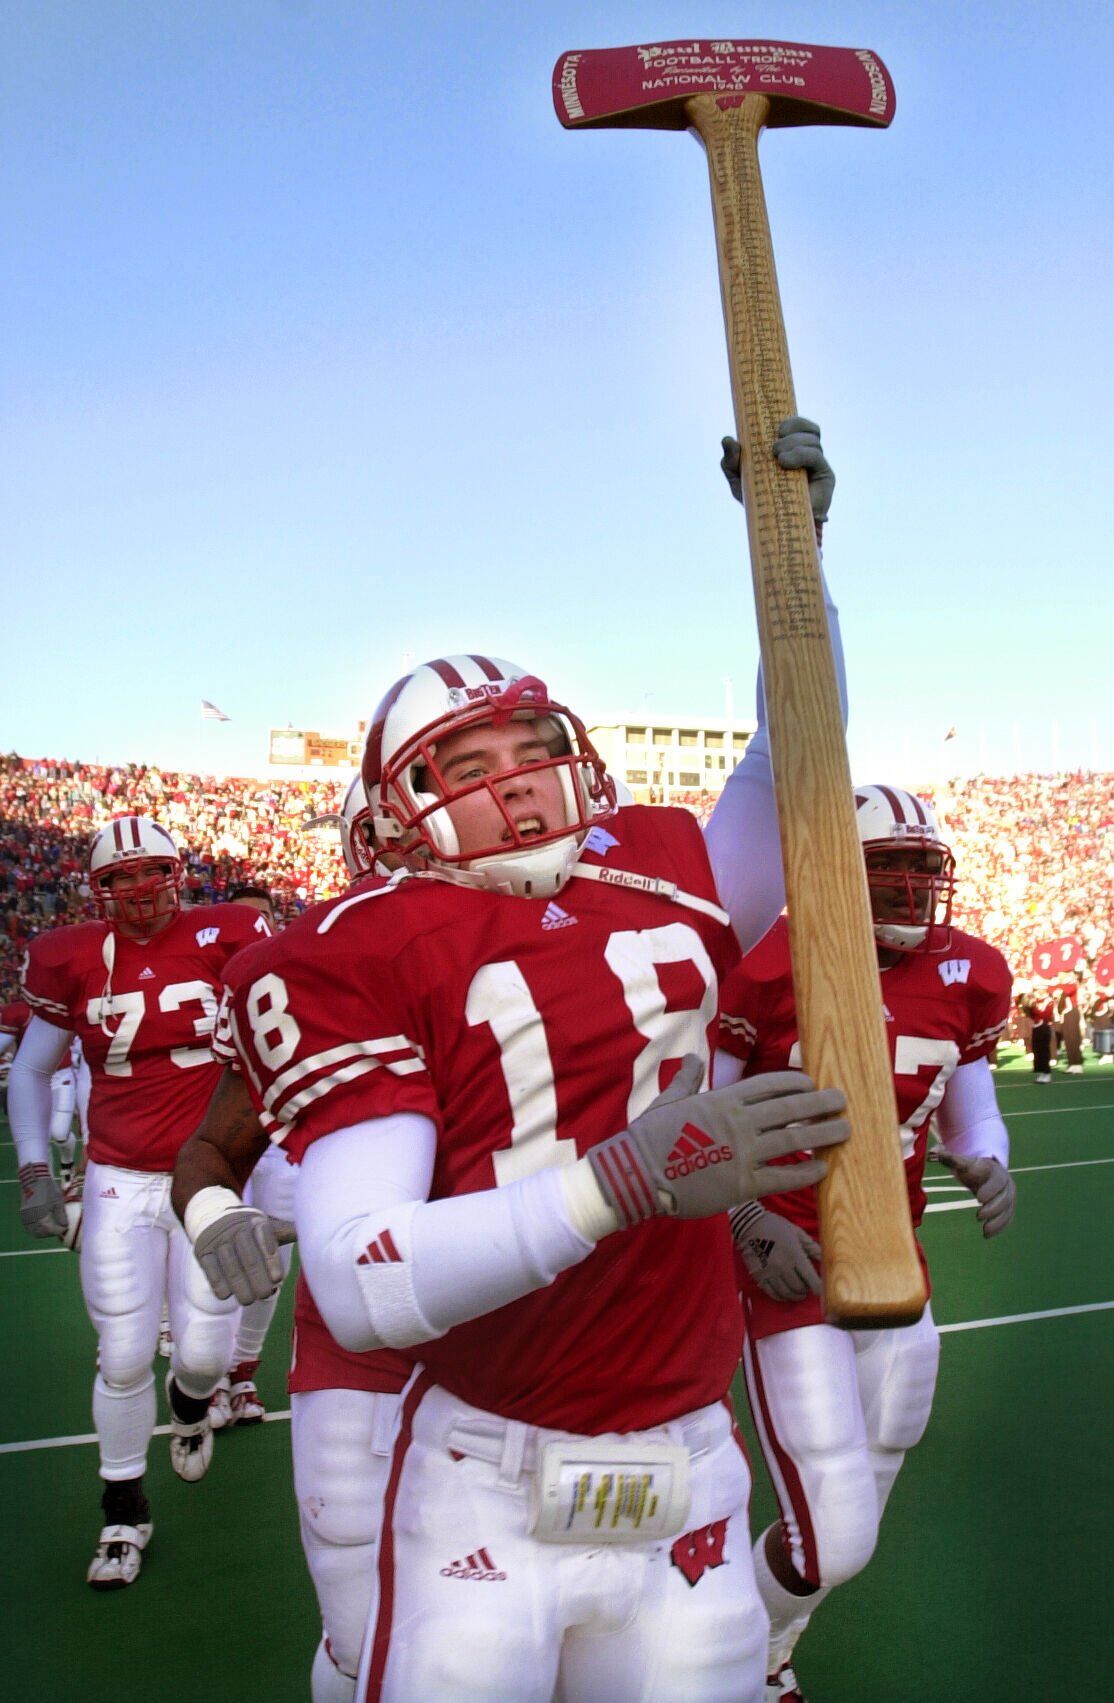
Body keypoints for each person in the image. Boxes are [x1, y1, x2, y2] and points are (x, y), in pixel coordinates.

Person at [180, 423, 853, 1703]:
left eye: (535, 746)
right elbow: (364, 1274)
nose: (521, 784)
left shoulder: (658, 859)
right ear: (392, 807)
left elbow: (795, 753)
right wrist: (624, 1180)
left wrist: (795, 559)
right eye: (465, 766)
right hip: (486, 1462)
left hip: (691, 1458)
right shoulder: (356, 944)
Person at [716, 784, 1015, 1702]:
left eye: (924, 872)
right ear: (839, 873)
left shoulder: (973, 969)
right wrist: (741, 1217)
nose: (911, 892)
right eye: (888, 870)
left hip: (893, 1251)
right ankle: (717, 1656)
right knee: (832, 1532)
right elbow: (697, 1114)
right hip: (787, 1253)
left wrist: (989, 1158)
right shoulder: (769, 961)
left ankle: (764, 1650)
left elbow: (974, 1114)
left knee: (870, 1481)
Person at [175, 777, 412, 1703]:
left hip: (539, 1349)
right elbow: (212, 1147)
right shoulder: (306, 964)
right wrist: (212, 1209)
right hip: (362, 1341)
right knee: (359, 1643)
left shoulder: (582, 941)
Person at [8, 814, 270, 1589]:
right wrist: (33, 1166)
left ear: (178, 872)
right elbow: (30, 1069)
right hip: (119, 1176)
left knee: (200, 1353)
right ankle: (122, 1507)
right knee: (123, 1353)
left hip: (208, 1173)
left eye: (150, 870)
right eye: (120, 877)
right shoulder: (71, 958)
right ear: (100, 888)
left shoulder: (232, 933)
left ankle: (190, 1404)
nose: (138, 889)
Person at [206, 881, 289, 1427]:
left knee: (271, 1259)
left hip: (278, 1132)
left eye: (260, 919)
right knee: (218, 1252)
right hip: (218, 1132)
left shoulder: (294, 965)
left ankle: (243, 1372)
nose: (251, 932)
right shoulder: (195, 975)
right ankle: (209, 1378)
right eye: (240, 920)